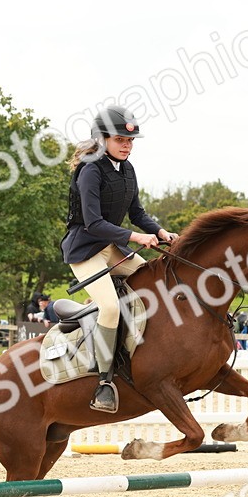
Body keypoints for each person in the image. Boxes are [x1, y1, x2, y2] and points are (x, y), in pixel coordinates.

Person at [59, 105, 176, 413]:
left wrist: (163, 232)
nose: (127, 145)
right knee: (110, 308)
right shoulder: (90, 170)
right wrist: (136, 238)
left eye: (130, 141)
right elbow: (93, 223)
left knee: (153, 277)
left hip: (112, 247)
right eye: (120, 140)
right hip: (85, 249)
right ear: (102, 140)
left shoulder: (127, 170)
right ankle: (104, 381)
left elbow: (137, 213)